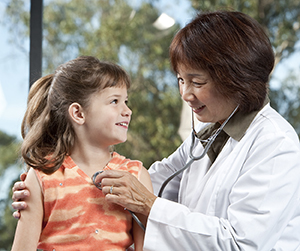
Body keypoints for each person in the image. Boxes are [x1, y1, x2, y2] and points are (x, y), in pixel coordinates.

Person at [12, 11, 300, 250]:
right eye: (180, 80)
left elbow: (241, 243)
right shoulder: (209, 135)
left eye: (196, 82)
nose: (185, 95)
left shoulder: (275, 144)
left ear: (236, 79)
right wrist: (48, 189)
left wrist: (149, 205)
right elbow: (148, 179)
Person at [11, 56, 153, 251]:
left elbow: (146, 247)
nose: (127, 110)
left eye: (126, 101)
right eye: (114, 101)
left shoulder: (136, 176)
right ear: (78, 113)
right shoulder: (42, 177)